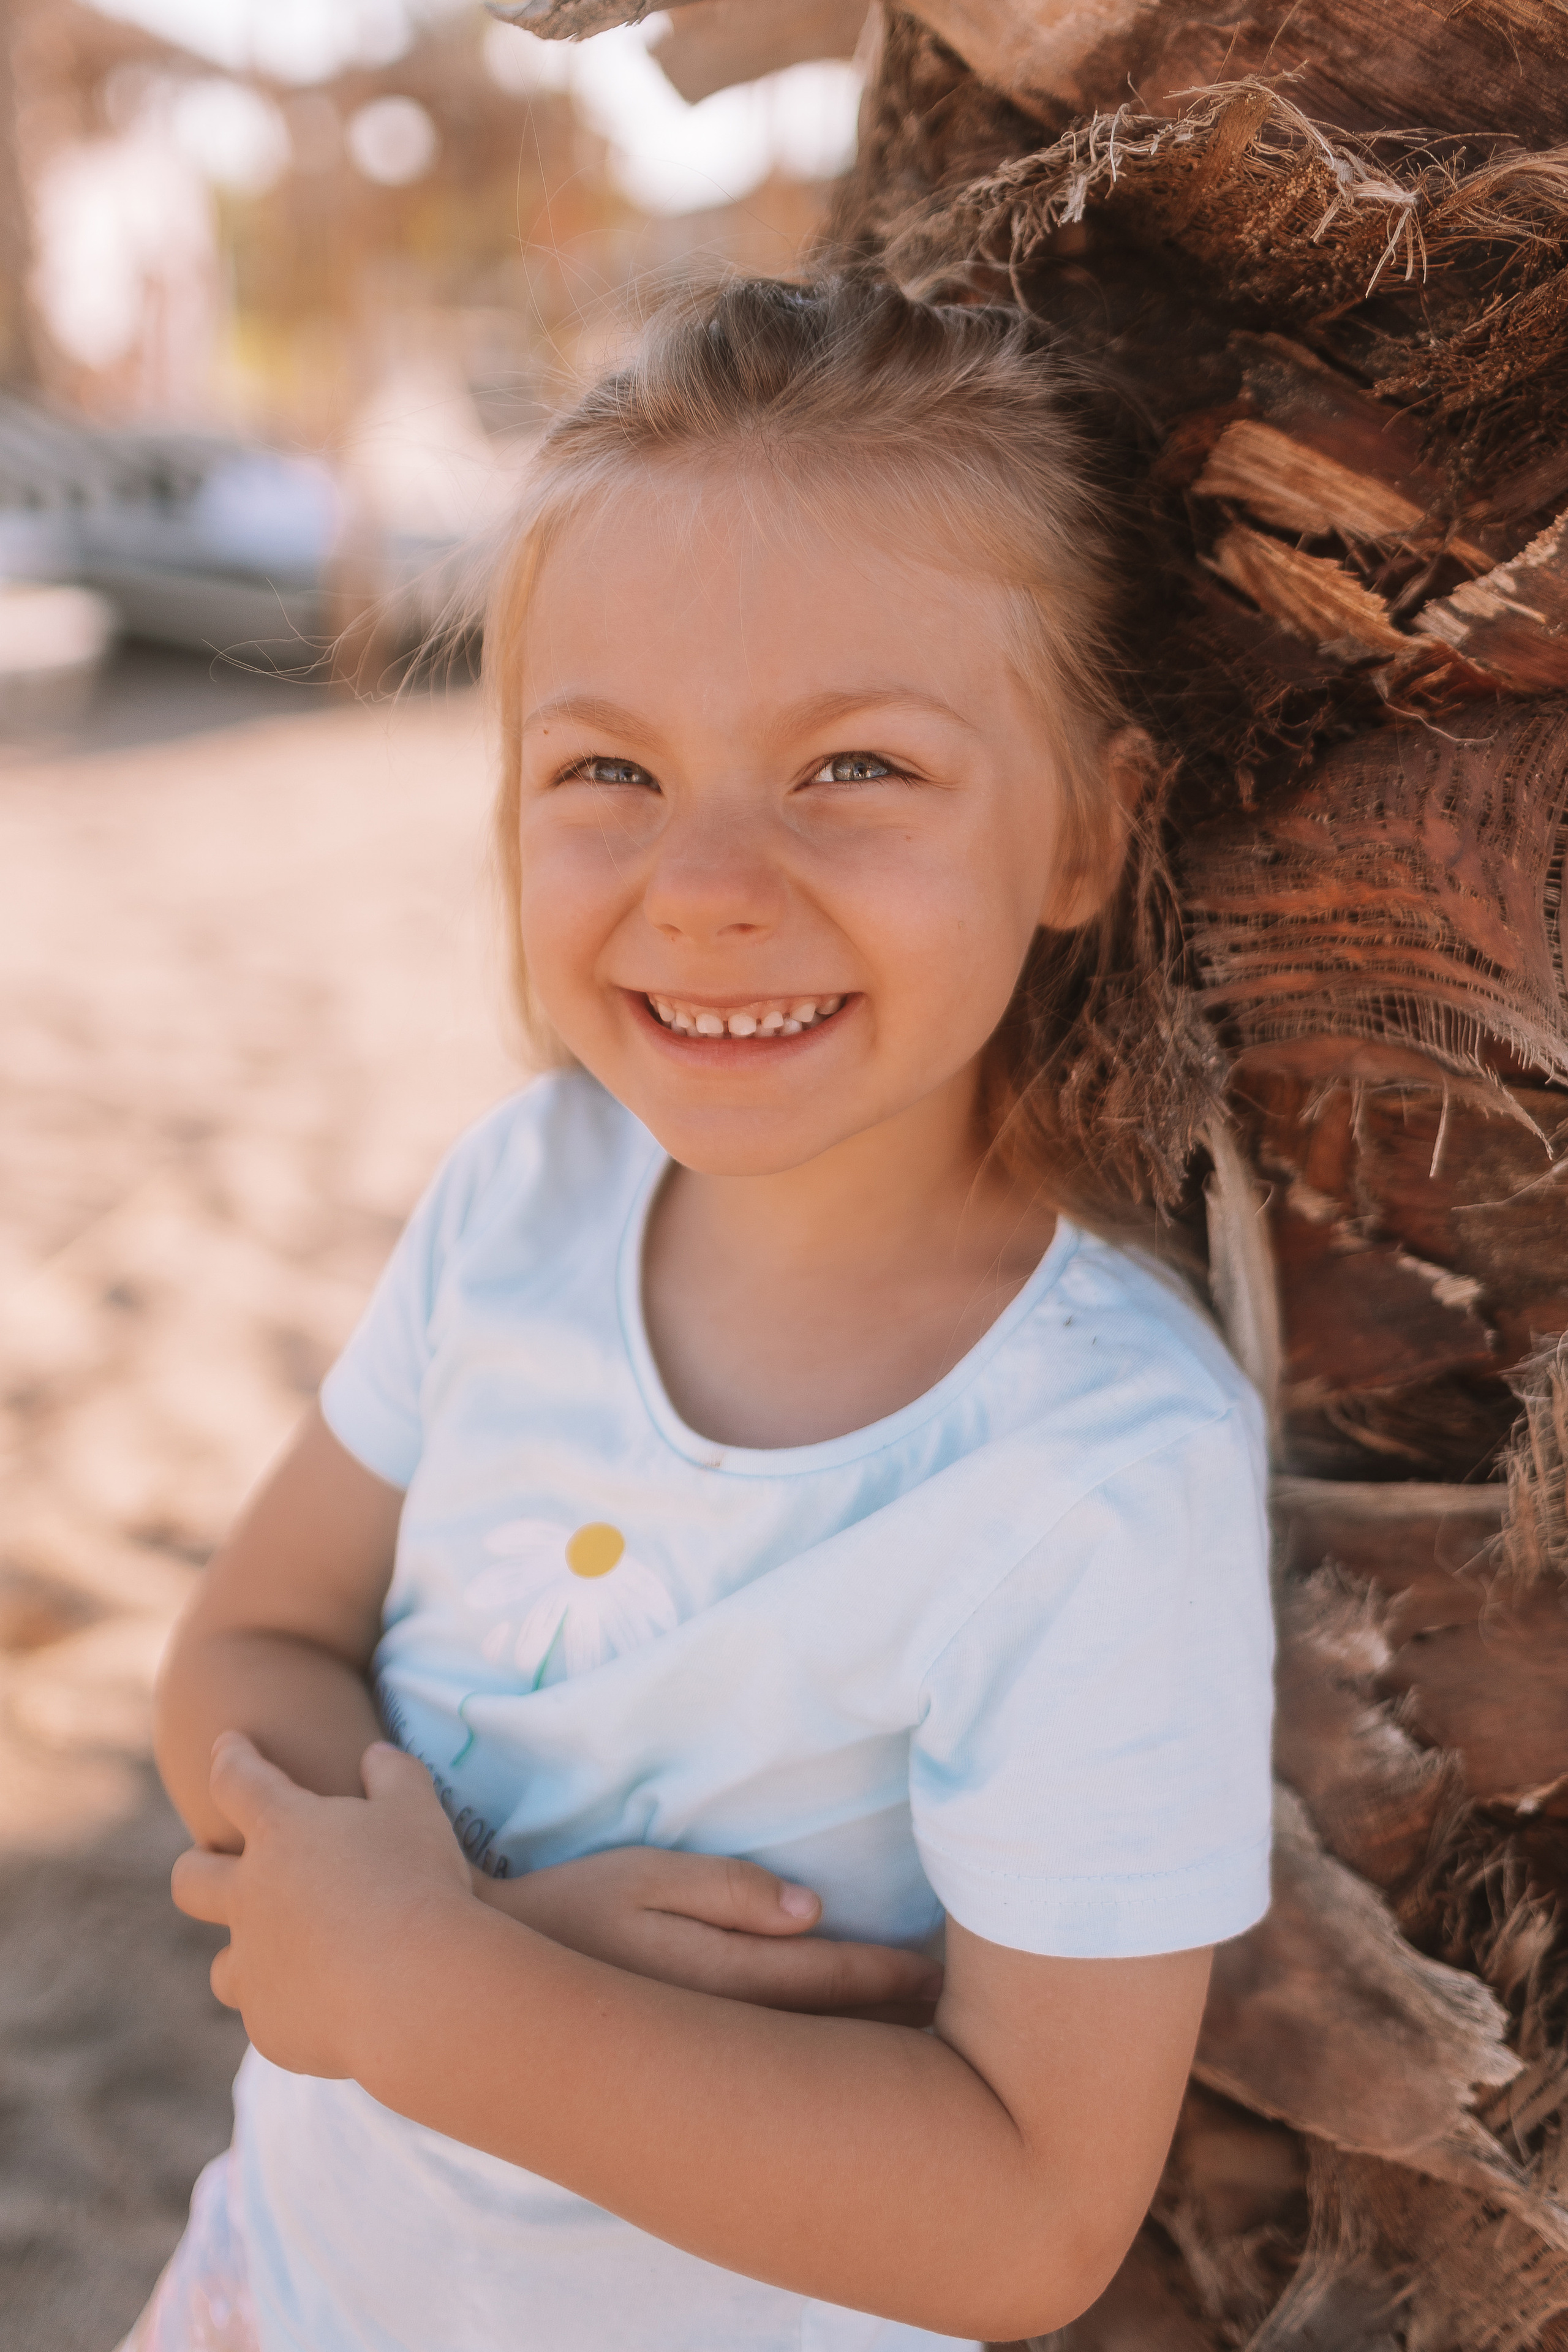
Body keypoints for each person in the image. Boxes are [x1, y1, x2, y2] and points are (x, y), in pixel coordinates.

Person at [123, 275, 1273, 2352]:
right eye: (609, 774)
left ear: (1091, 828)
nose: (712, 882)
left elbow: (1027, 2219)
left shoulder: (1102, 1470)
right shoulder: (524, 1202)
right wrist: (423, 1928)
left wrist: (442, 1996)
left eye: (852, 765)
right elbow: (245, 1647)